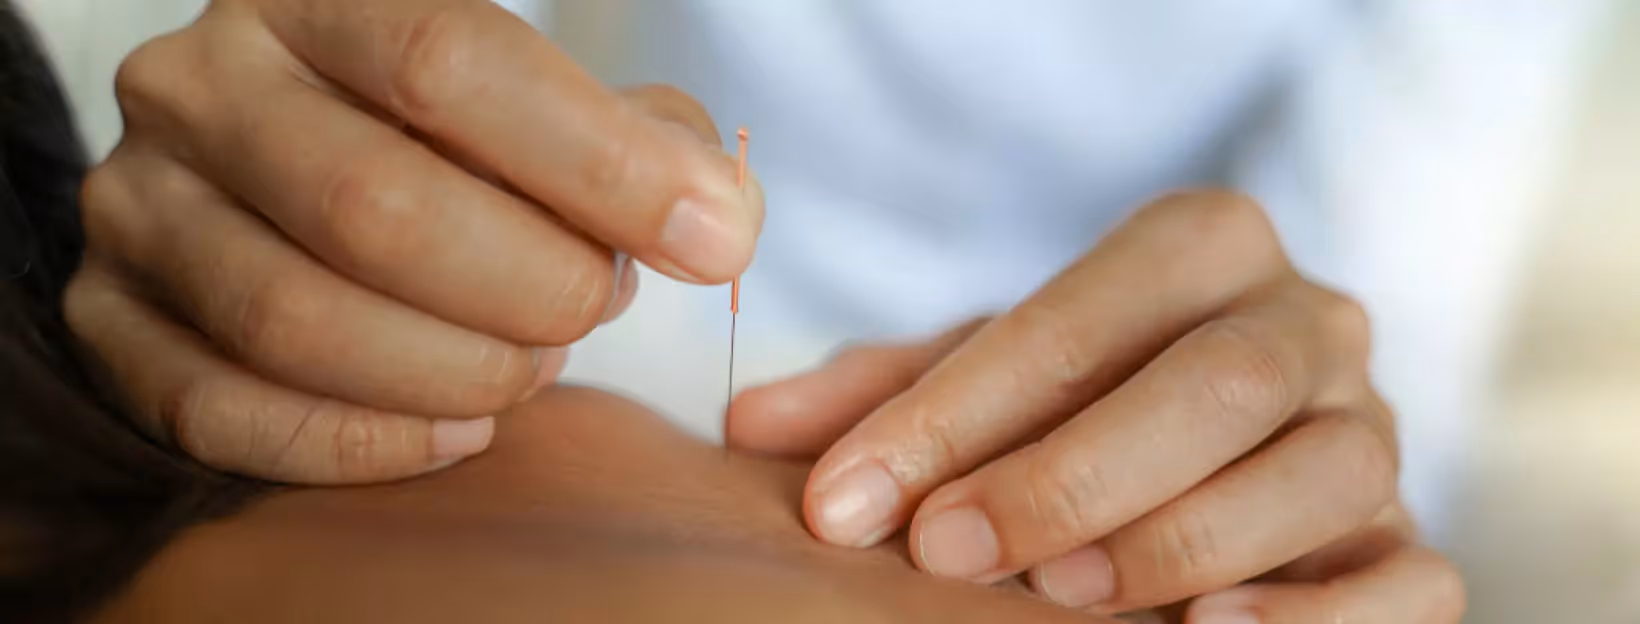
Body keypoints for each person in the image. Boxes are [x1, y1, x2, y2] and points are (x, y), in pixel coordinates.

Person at [55, 0, 1608, 619]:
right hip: (607, 309)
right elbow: (422, 66)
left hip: (1082, 436)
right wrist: (353, 169)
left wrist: (1283, 438)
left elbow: (1376, 319)